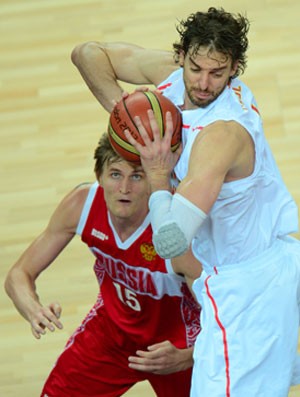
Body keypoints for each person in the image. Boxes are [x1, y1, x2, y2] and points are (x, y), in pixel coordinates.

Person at [71, 6, 300, 397]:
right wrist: (129, 124)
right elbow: (87, 54)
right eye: (196, 68)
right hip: (246, 266)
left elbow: (172, 241)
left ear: (235, 68)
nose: (204, 83)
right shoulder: (172, 78)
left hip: (248, 290)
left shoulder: (223, 134)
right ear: (181, 55)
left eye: (217, 73)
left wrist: (157, 172)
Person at [4, 132, 202, 397]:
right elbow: (18, 274)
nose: (124, 189)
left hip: (177, 347)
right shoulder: (82, 205)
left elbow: (232, 314)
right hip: (113, 335)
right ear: (99, 176)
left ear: (155, 184)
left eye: (137, 176)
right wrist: (34, 310)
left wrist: (190, 356)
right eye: (115, 174)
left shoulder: (174, 234)